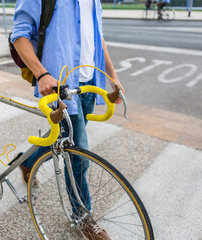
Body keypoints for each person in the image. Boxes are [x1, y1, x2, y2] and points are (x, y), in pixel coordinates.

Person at [10, 0, 124, 239]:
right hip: (58, 86)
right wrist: (41, 74)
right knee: (79, 157)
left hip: (88, 85)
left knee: (63, 139)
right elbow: (19, 35)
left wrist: (112, 77)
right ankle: (83, 218)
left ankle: (26, 161)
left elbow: (97, 38)